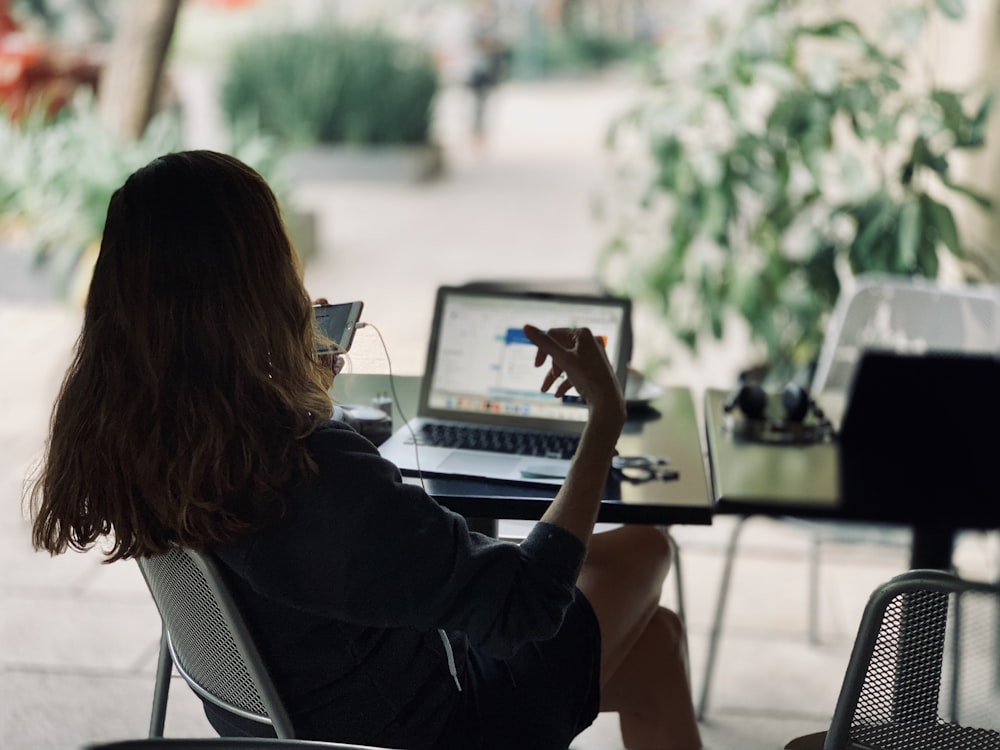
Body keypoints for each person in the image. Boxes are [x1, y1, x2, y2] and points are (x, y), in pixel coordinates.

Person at [27, 150, 702, 750]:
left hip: (302, 715)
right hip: (430, 728)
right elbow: (523, 608)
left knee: (659, 645)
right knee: (645, 548)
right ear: (257, 282)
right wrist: (602, 424)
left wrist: (299, 391)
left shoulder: (141, 436)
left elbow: (326, 547)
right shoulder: (303, 469)